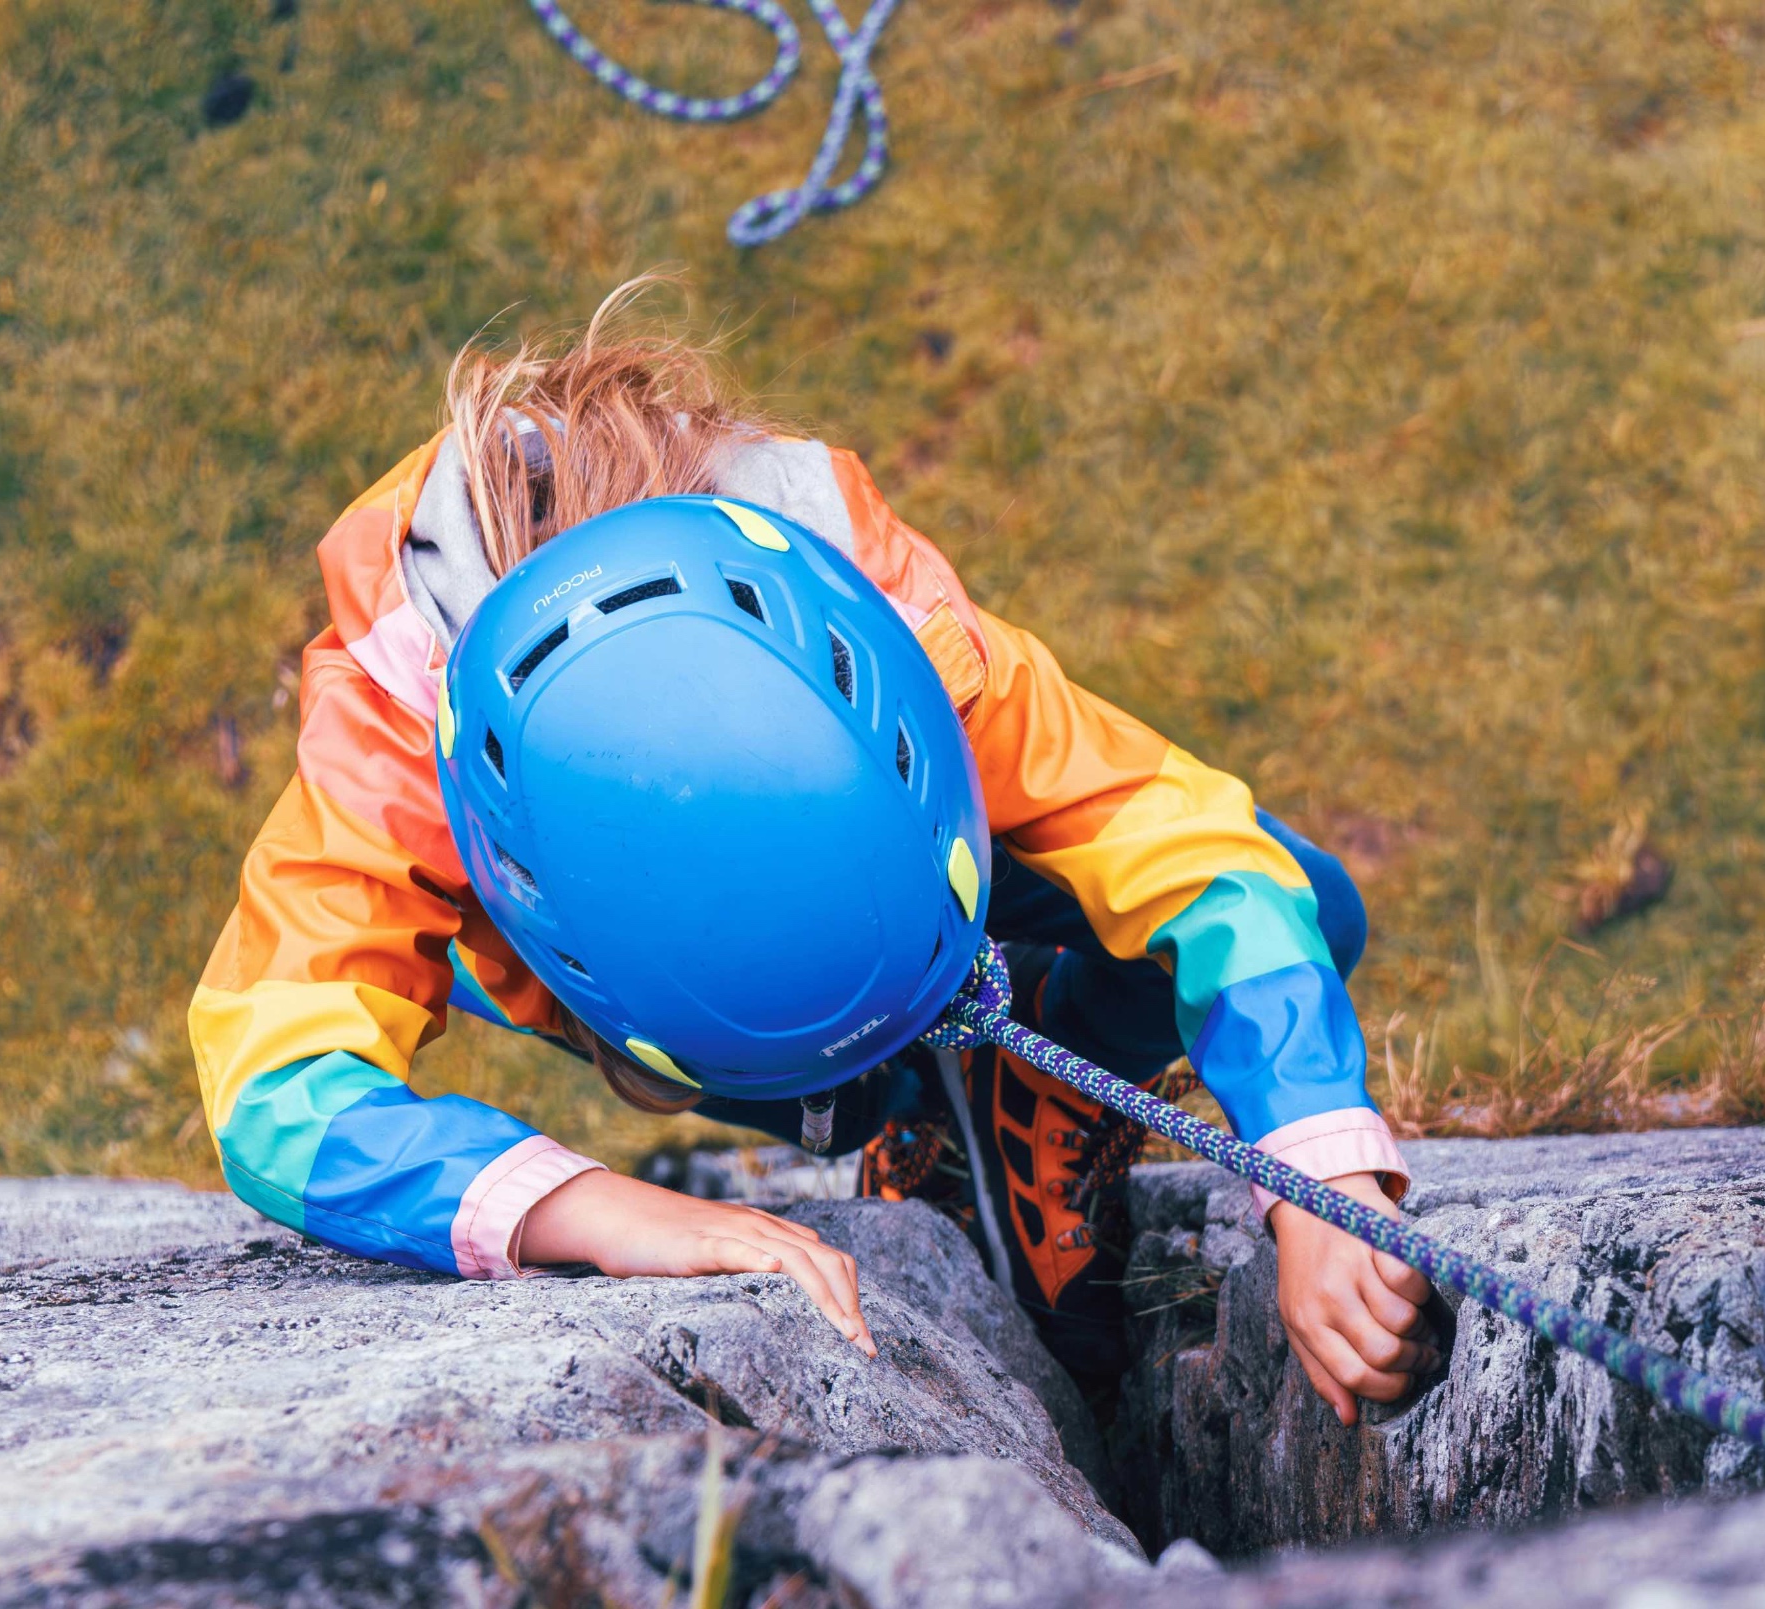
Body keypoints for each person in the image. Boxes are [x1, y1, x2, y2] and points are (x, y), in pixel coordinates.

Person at [189, 280, 1436, 1425]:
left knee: (1309, 904)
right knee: (833, 1085)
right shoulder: (394, 735)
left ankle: (1034, 1072)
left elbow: (1192, 846)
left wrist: (1319, 1159)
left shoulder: (878, 622)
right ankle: (902, 1112)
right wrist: (608, 1214)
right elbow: (275, 1090)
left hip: (889, 891)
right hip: (659, 990)